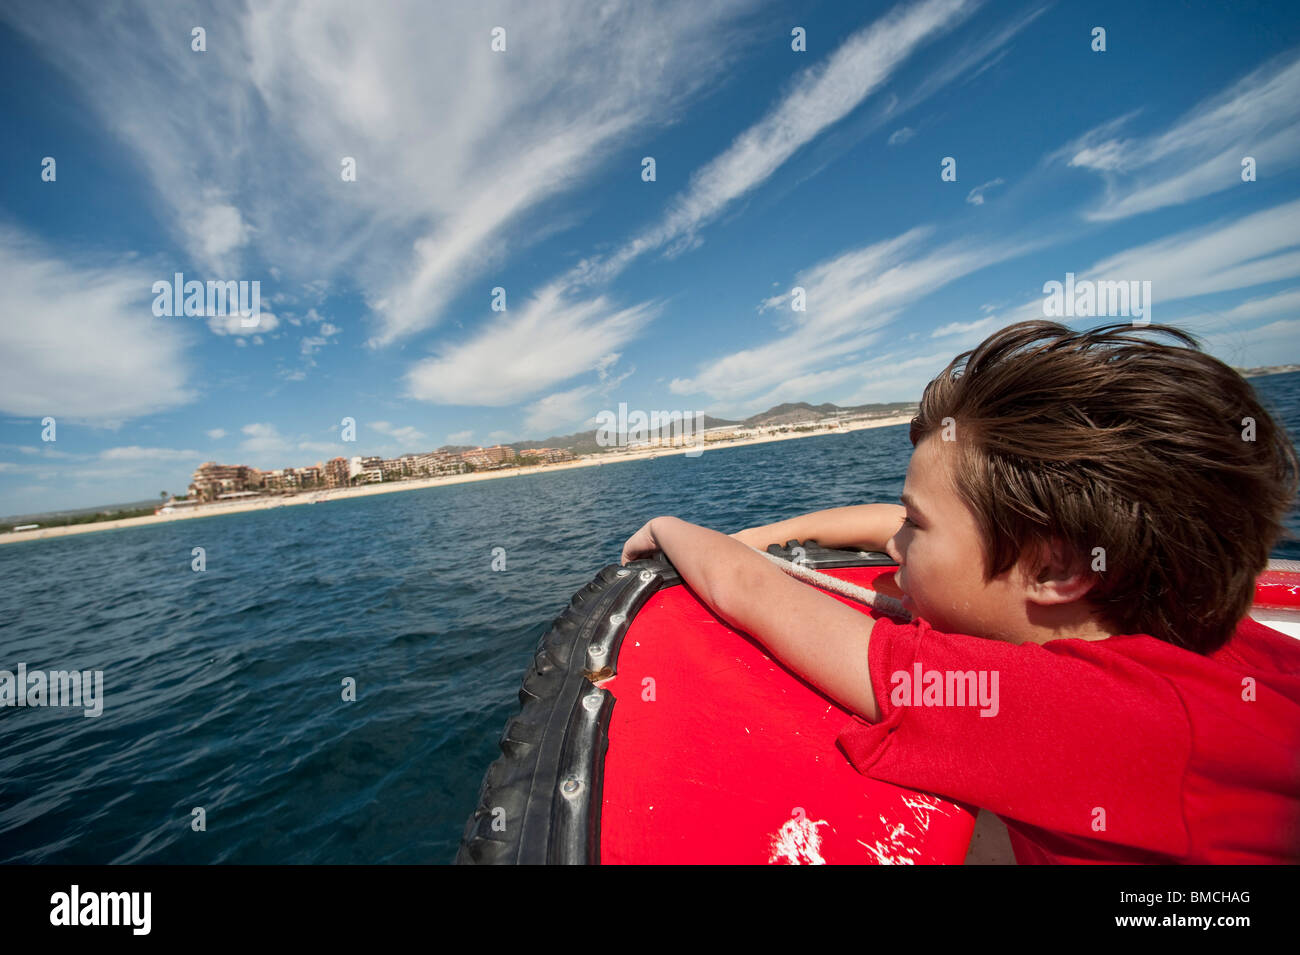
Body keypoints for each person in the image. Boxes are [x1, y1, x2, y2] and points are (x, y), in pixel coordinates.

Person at [620, 320, 1300, 863]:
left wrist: (668, 524)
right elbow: (899, 526)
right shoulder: (1193, 631)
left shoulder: (1068, 713)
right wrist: (772, 529)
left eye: (918, 525)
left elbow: (750, 593)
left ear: (1056, 572)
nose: (893, 545)